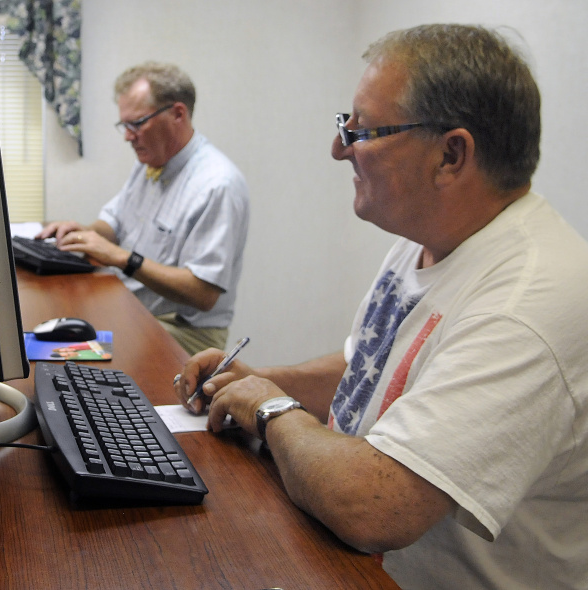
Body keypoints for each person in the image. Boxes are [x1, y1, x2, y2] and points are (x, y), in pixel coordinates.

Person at [174, 24, 588, 589]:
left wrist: (270, 408)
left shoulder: (525, 306)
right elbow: (367, 370)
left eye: (362, 130)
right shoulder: (428, 241)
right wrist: (254, 381)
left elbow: (376, 506)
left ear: (451, 154)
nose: (339, 148)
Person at [36, 62, 249, 356]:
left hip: (183, 333)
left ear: (177, 114)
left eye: (137, 123)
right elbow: (114, 223)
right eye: (124, 125)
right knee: (40, 329)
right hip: (134, 308)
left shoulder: (217, 185)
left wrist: (123, 258)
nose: (128, 136)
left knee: (54, 353)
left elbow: (203, 293)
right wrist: (84, 233)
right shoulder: (151, 161)